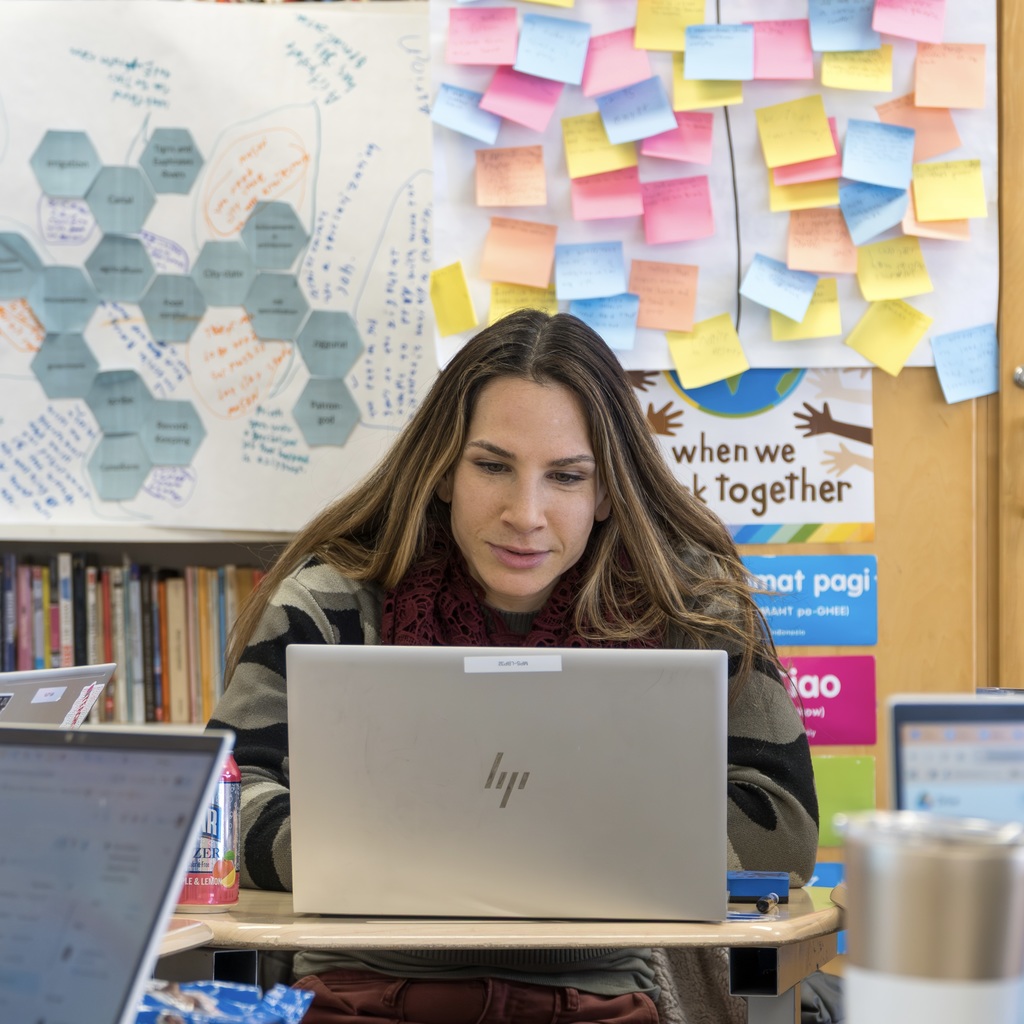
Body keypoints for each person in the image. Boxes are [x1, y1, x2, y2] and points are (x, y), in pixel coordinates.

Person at [208, 309, 819, 1024]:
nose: (524, 512)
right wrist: (555, 847)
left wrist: (422, 851)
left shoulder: (692, 611)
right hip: (357, 992)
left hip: (607, 994)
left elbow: (781, 827)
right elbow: (218, 802)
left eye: (565, 476)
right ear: (441, 471)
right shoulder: (333, 600)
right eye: (492, 466)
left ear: (607, 493)